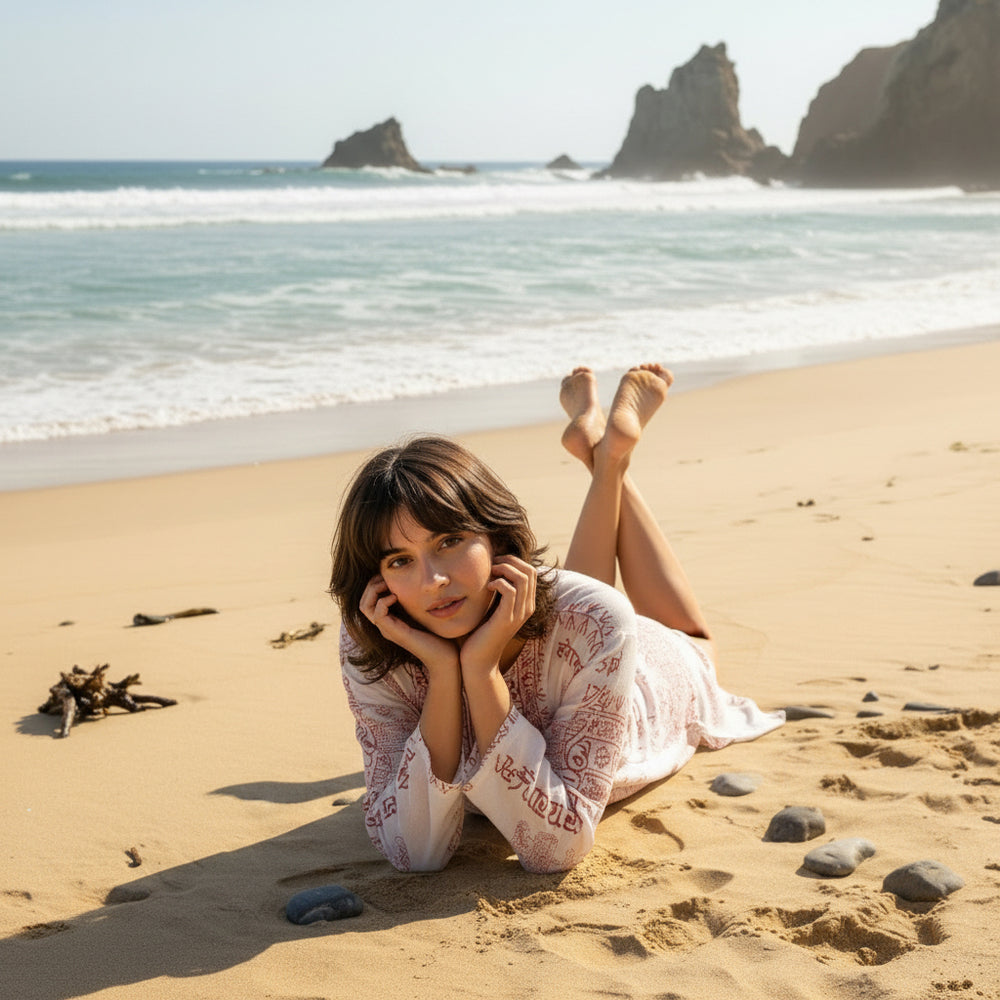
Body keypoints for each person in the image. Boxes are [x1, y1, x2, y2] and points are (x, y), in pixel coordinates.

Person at [329, 364, 783, 874]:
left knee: (692, 642)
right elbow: (414, 851)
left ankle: (608, 459)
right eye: (399, 561)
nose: (432, 580)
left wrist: (479, 671)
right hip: (573, 634)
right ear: (376, 581)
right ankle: (605, 455)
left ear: (495, 538)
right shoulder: (372, 639)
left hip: (645, 679)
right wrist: (442, 671)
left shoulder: (595, 618)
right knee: (576, 609)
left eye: (449, 541)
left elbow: (555, 846)